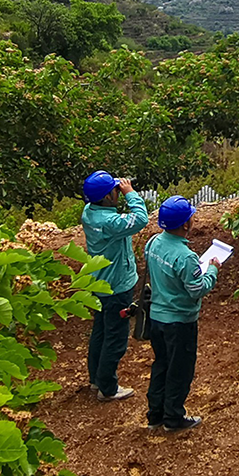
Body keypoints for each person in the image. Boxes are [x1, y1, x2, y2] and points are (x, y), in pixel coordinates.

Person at [144, 195, 221, 432]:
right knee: (180, 370)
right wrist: (212, 271)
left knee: (161, 365)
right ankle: (174, 418)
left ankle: (155, 414)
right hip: (180, 322)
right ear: (185, 224)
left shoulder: (154, 242)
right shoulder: (185, 256)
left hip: (157, 318)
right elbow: (197, 290)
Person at [81, 170, 148, 401]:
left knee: (100, 332)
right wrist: (130, 194)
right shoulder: (110, 222)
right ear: (107, 197)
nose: (117, 192)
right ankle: (108, 388)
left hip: (99, 283)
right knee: (116, 338)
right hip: (117, 286)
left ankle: (96, 379)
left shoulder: (89, 212)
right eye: (114, 191)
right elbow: (141, 219)